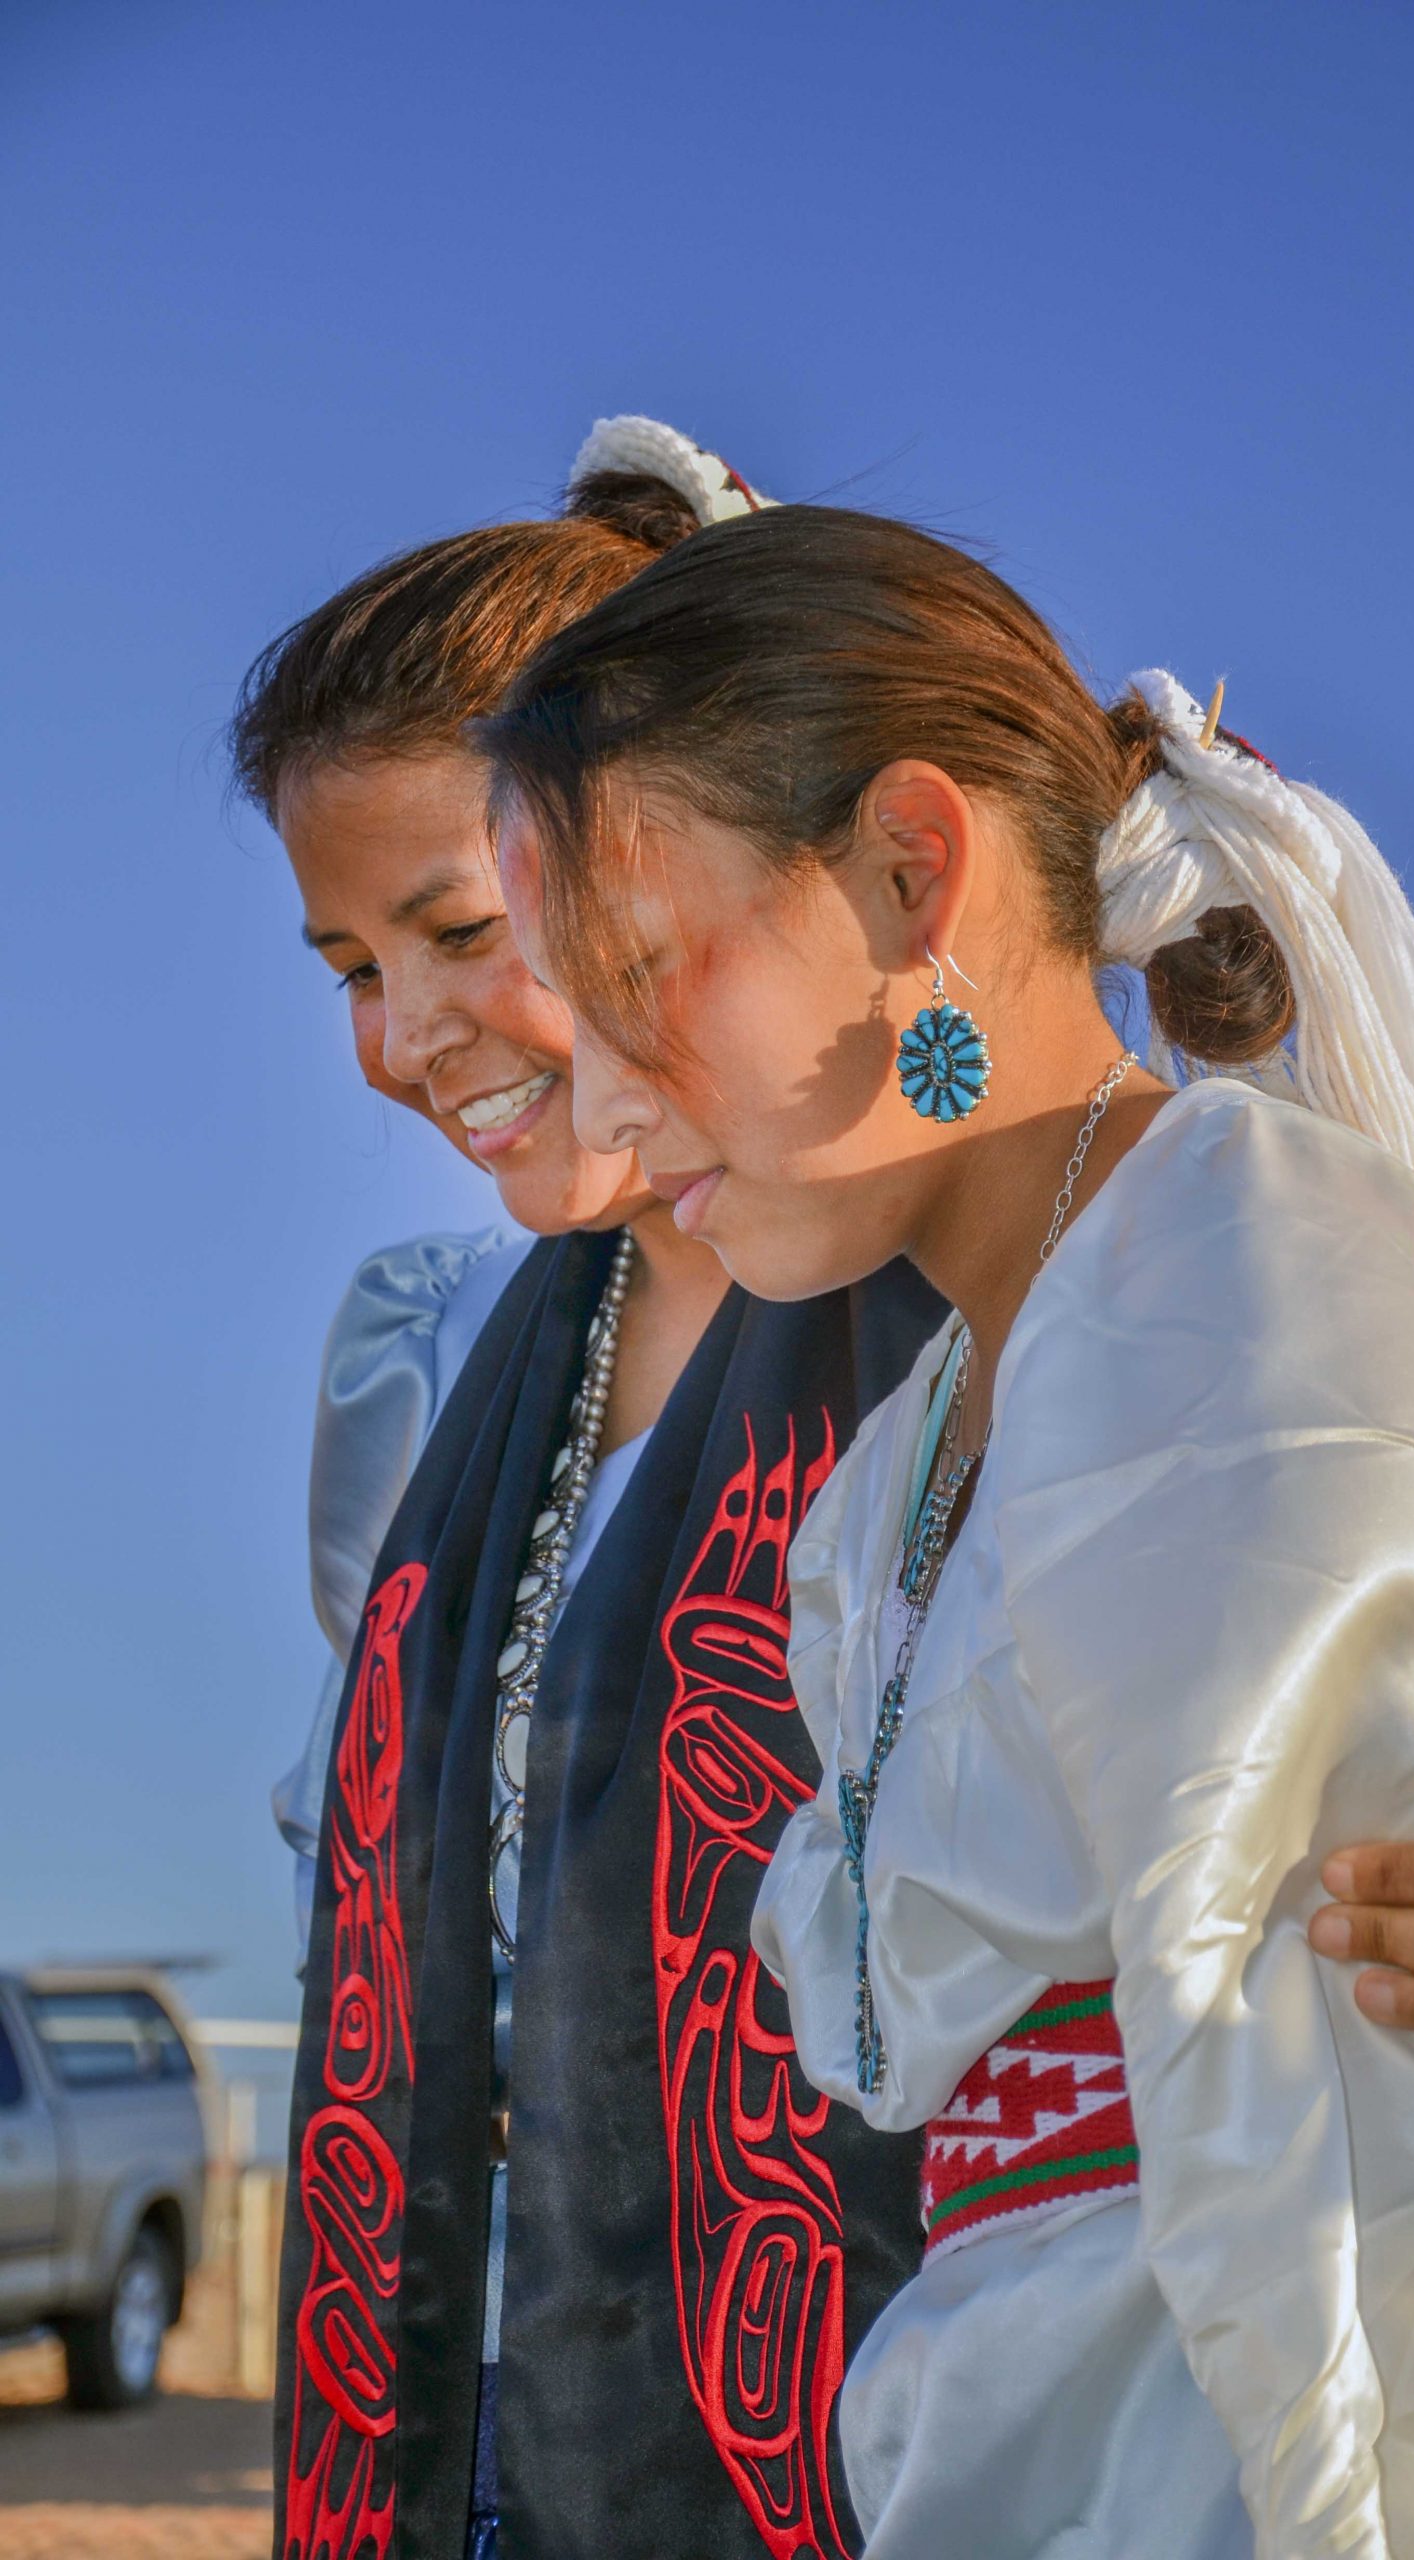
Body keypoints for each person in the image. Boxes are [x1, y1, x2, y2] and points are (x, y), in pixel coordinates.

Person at [478, 500, 1414, 2556]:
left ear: (906, 869)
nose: (595, 1105)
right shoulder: (897, 1470)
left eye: (638, 977)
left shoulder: (1280, 1302)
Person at [233, 423, 942, 2560]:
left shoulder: (998, 1287)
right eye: (354, 967)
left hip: (883, 2428)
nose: (399, 1036)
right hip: (445, 2425)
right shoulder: (429, 1354)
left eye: (456, 924)